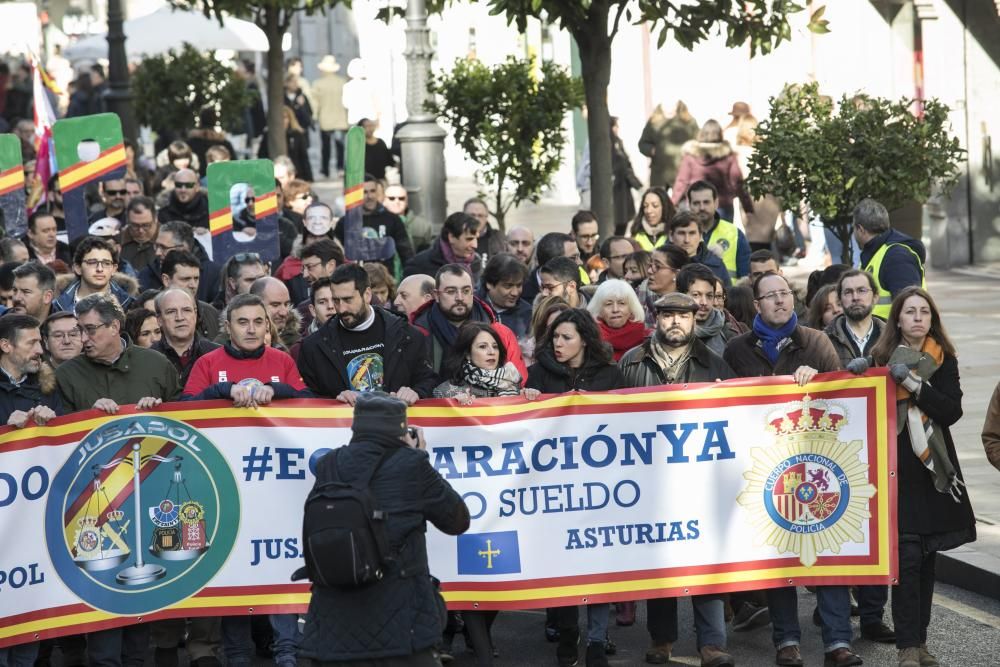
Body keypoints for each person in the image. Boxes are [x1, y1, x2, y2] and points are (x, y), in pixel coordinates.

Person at [724, 273, 857, 667]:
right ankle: (786, 642)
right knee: (778, 559)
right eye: (771, 296)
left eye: (785, 293)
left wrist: (820, 381)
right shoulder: (737, 350)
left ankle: (837, 642)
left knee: (827, 555)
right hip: (765, 473)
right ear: (757, 305)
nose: (780, 301)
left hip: (815, 466)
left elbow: (842, 397)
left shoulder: (816, 341)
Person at [297, 392, 470, 666]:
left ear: (357, 427)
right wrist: (419, 455)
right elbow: (457, 520)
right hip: (402, 621)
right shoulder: (412, 464)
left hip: (332, 620)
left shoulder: (330, 463)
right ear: (402, 430)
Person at [54, 294, 180, 667]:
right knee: (103, 601)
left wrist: (162, 413)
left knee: (141, 605)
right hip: (92, 507)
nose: (83, 338)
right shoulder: (66, 374)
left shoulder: (156, 364)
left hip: (150, 497)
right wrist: (85, 421)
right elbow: (55, 443)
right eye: (80, 330)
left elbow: (189, 422)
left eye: (91, 329)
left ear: (115, 327)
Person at [854, 287, 974, 667]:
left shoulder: (944, 359)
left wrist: (913, 384)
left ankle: (920, 642)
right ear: (898, 320)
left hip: (934, 472)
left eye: (924, 311)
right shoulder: (880, 358)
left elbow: (950, 411)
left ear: (932, 318)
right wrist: (856, 373)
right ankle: (906, 646)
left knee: (925, 561)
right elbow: (861, 408)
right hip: (896, 471)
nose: (918, 318)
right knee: (905, 560)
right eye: (910, 312)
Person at [617, 292, 734, 666]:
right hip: (648, 480)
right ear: (656, 318)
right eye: (667, 315)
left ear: (694, 320)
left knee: (706, 561)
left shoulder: (714, 363)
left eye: (682, 316)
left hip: (702, 481)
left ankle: (712, 643)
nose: (675, 323)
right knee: (661, 558)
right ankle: (662, 639)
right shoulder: (631, 362)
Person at [525, 308, 624, 667]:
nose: (559, 344)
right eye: (555, 338)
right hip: (556, 489)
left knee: (597, 563)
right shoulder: (539, 373)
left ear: (584, 338)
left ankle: (597, 639)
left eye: (566, 337)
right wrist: (528, 399)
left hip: (601, 488)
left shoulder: (611, 375)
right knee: (563, 566)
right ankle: (568, 634)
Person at [297, 264, 436, 403]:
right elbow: (308, 396)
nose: (341, 308)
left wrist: (416, 392)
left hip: (397, 419)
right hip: (344, 422)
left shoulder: (407, 335)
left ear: (367, 294)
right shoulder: (314, 346)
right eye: (336, 300)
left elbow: (428, 380)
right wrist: (336, 400)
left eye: (348, 299)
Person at [182, 293, 310, 403]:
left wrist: (277, 390)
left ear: (266, 325)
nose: (251, 330)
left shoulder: (283, 360)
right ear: (228, 327)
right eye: (243, 323)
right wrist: (220, 390)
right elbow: (185, 408)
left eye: (258, 322)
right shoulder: (206, 363)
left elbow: (309, 402)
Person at [412, 264, 527, 380]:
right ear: (436, 295)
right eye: (451, 291)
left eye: (466, 291)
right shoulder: (417, 333)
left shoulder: (499, 332)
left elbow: (518, 381)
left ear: (473, 291)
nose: (460, 297)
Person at [854, 198, 926, 319]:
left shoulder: (896, 257)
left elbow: (909, 307)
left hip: (892, 335)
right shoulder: (874, 252)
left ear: (860, 229)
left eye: (853, 229)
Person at [434, 321, 538, 403]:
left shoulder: (514, 387)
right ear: (467, 354)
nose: (492, 352)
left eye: (495, 347)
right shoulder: (445, 392)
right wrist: (455, 408)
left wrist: (532, 397)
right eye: (483, 347)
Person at [671, 119, 753, 221]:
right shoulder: (728, 155)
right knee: (723, 236)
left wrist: (672, 204)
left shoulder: (691, 155)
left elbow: (682, 182)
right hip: (722, 205)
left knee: (697, 235)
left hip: (696, 205)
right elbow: (737, 182)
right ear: (719, 134)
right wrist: (748, 207)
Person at [336, 175, 414, 275]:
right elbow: (336, 255)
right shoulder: (345, 222)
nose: (370, 196)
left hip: (384, 282)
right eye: (365, 192)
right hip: (356, 282)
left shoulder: (392, 219)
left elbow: (406, 253)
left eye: (373, 191)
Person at [152, 288, 220, 387]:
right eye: (171, 312)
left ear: (195, 314)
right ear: (159, 320)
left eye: (186, 310)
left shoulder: (218, 354)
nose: (180, 317)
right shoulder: (148, 360)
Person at [686, 180, 751, 279]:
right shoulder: (680, 234)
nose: (702, 207)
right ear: (689, 205)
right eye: (696, 203)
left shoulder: (735, 234)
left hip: (728, 293)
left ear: (716, 203)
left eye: (706, 202)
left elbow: (746, 277)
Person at [53, 237, 134, 312]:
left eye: (106, 263)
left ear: (114, 269)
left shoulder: (131, 305)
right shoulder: (56, 307)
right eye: (92, 263)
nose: (100, 269)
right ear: (78, 268)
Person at [676, 263, 741, 356]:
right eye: (696, 295)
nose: (704, 302)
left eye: (709, 296)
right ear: (680, 295)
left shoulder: (729, 333)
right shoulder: (667, 332)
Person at [159, 250, 221, 340]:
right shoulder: (150, 311)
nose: (193, 285)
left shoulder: (211, 313)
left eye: (196, 278)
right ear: (166, 280)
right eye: (185, 279)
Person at [404, 212, 483, 282]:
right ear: (451, 237)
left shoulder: (476, 262)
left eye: (476, 239)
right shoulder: (418, 265)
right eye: (469, 239)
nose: (475, 245)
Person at [638, 101, 699, 189]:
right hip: (659, 173)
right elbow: (643, 144)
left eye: (673, 103)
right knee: (658, 198)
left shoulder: (688, 121)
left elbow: (697, 144)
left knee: (683, 200)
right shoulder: (654, 121)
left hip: (682, 172)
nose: (669, 107)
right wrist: (653, 151)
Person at [588, 279, 650, 361]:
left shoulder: (647, 340)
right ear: (598, 309)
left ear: (631, 308)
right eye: (608, 304)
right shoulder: (588, 340)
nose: (615, 309)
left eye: (622, 303)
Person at [668, 211, 730, 287]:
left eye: (692, 233)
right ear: (671, 236)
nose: (687, 240)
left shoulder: (716, 265)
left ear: (701, 236)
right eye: (681, 233)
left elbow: (727, 296)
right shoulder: (661, 264)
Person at [479, 253, 532, 339]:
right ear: (489, 283)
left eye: (519, 285)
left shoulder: (528, 314)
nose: (515, 293)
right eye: (508, 286)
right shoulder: (473, 308)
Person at [313, 55, 349, 178]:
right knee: (340, 146)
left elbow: (315, 103)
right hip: (340, 119)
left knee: (326, 146)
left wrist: (314, 116)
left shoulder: (318, 84)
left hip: (325, 119)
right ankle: (340, 168)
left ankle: (325, 169)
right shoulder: (342, 82)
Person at [637, 245, 689, 326]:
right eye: (650, 265)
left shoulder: (689, 305)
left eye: (657, 267)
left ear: (677, 273)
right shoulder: (639, 294)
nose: (650, 271)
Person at [520, 232, 579, 304]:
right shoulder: (520, 296)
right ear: (553, 263)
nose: (579, 262)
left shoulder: (585, 295)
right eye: (573, 258)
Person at [249, 277, 300, 350]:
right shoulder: (233, 342)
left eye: (286, 304)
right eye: (275, 305)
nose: (284, 313)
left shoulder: (297, 346)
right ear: (254, 304)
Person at [611, 117, 641, 232]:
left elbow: (627, 165)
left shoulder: (618, 142)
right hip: (615, 188)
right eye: (615, 126)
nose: (617, 129)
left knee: (623, 222)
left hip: (623, 188)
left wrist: (636, 183)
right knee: (617, 222)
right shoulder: (608, 145)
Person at [385, 184, 432, 251]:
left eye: (401, 198)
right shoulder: (376, 222)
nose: (397, 201)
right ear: (384, 201)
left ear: (406, 201)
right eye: (391, 198)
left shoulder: (423, 226)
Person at [121, 196, 159, 272]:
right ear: (127, 221)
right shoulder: (118, 242)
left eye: (146, 225)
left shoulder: (168, 243)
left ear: (156, 219)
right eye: (135, 225)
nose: (141, 230)